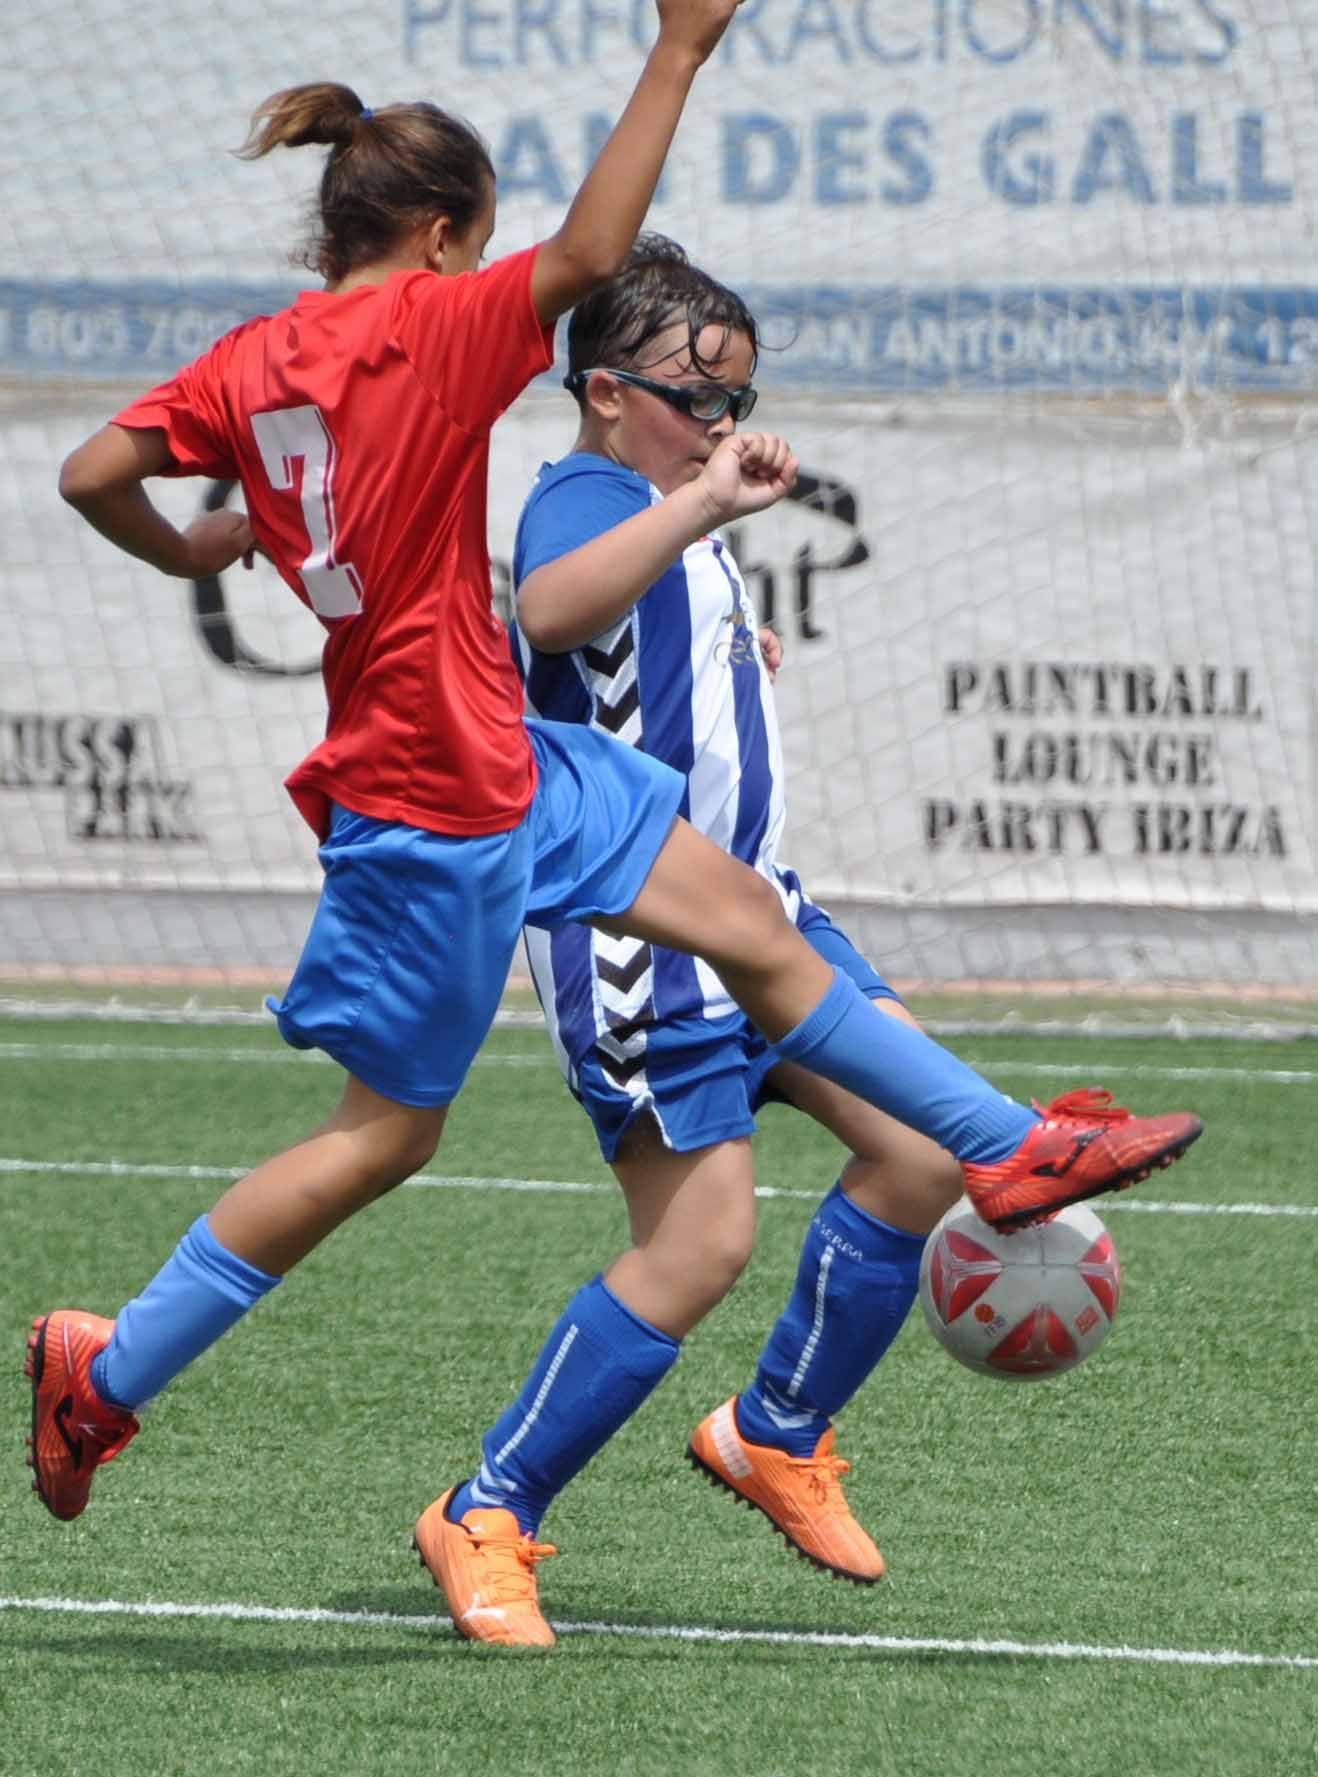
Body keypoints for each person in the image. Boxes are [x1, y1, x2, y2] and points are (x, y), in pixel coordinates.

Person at [28, 25, 1201, 1578]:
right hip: (432, 789)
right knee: (385, 1138)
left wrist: (196, 547)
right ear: (444, 236)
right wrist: (675, 47)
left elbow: (90, 473)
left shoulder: (250, 362)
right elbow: (589, 253)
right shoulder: (432, 333)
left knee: (759, 931)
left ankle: (1004, 1148)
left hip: (502, 759)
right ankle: (106, 1377)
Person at [413, 240, 1203, 1648]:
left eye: (736, 398)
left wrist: (723, 632)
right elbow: (548, 607)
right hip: (638, 937)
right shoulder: (587, 491)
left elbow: (631, 644)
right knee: (699, 1243)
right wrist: (704, 506)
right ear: (603, 395)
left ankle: (775, 1427)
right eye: (692, 400)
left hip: (765, 911)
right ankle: (486, 1505)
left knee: (911, 1155)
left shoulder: (667, 511)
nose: (721, 426)